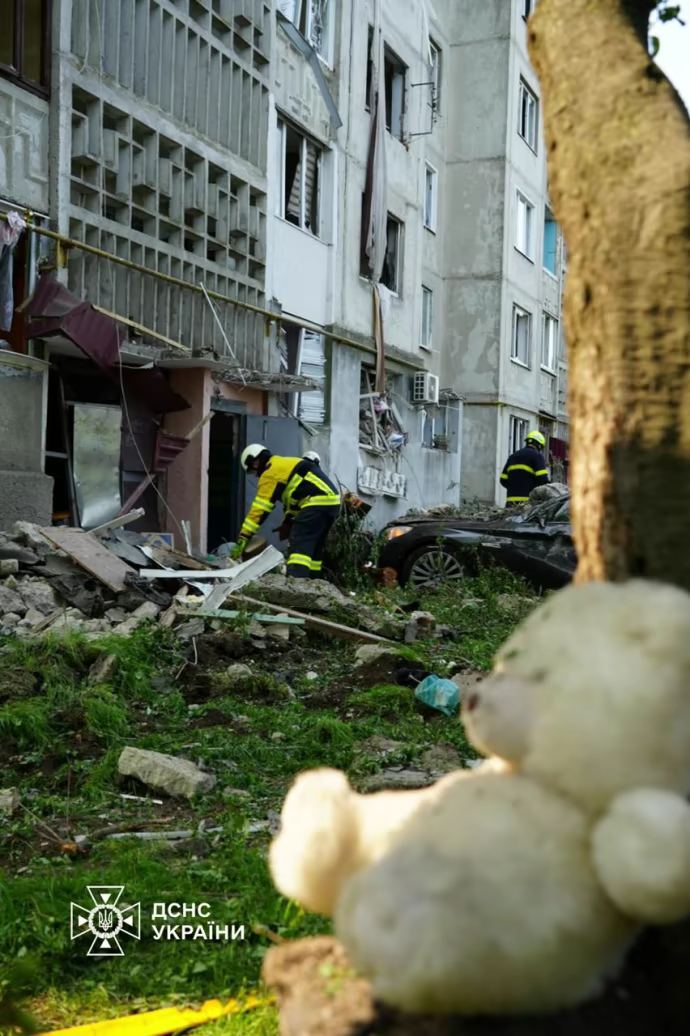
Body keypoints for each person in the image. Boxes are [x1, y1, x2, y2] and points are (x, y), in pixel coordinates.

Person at [232, 445, 341, 578]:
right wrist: (287, 523)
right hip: (331, 503)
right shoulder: (283, 465)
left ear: (254, 462)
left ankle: (296, 582)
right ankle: (314, 582)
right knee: (314, 546)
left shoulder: (270, 473)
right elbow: (294, 503)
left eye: (252, 471)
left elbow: (259, 510)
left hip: (316, 502)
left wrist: (243, 537)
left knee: (299, 541)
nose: (255, 475)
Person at [500, 430, 549, 507]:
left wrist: (514, 488)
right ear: (539, 445)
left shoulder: (513, 456)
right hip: (528, 503)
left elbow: (503, 479)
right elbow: (542, 479)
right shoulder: (537, 456)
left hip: (511, 502)